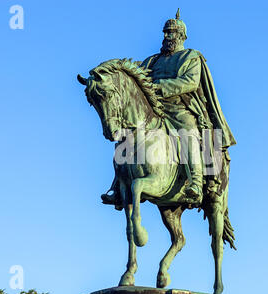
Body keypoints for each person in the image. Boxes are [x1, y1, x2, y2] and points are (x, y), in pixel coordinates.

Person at [101, 9, 236, 208]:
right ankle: (118, 185)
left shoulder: (192, 57)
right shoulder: (152, 60)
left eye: (170, 33)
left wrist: (159, 87)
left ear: (181, 36)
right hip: (153, 108)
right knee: (126, 134)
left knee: (188, 131)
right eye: (165, 32)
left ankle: (197, 183)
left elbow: (189, 82)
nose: (166, 36)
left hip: (181, 107)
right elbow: (137, 76)